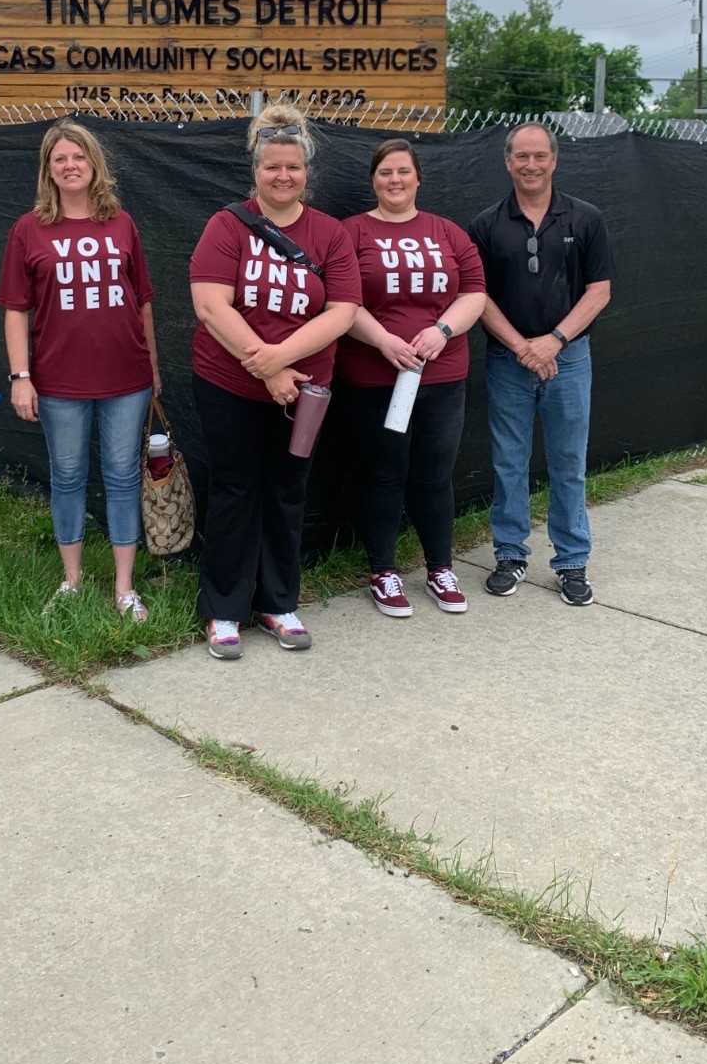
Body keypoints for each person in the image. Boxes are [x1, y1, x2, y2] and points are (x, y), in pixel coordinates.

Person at [190, 104, 361, 659]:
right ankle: (223, 609)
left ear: (307, 172)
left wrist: (280, 362)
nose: (282, 177)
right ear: (255, 171)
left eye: (292, 168)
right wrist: (265, 366)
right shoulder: (226, 225)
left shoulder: (329, 234)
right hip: (227, 384)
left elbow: (342, 311)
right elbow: (211, 304)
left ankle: (278, 602)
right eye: (272, 168)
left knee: (287, 492)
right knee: (235, 490)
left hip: (302, 393)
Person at [0, 122, 160, 622]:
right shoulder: (30, 228)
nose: (71, 166)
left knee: (122, 475)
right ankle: (71, 581)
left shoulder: (122, 223)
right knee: (67, 477)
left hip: (125, 377)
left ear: (94, 164)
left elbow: (143, 302)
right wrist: (19, 376)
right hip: (59, 379)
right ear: (48, 169)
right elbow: (15, 310)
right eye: (60, 158)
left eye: (79, 157)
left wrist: (153, 369)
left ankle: (125, 587)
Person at [335, 139, 486, 618]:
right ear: (373, 181)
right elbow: (340, 300)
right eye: (385, 173)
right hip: (375, 376)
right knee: (383, 473)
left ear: (419, 177)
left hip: (441, 374)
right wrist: (383, 340)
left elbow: (475, 293)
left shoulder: (448, 233)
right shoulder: (351, 233)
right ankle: (383, 570)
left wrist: (441, 330)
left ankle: (439, 567)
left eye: (403, 171)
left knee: (434, 474)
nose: (394, 180)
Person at [468, 123, 614, 606]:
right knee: (509, 462)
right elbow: (478, 296)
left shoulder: (586, 218)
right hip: (508, 363)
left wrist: (552, 342)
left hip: (569, 361)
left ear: (554, 160)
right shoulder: (488, 223)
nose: (531, 165)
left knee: (569, 464)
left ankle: (572, 562)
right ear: (507, 162)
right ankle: (509, 554)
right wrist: (522, 347)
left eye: (540, 156)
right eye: (521, 157)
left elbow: (600, 291)